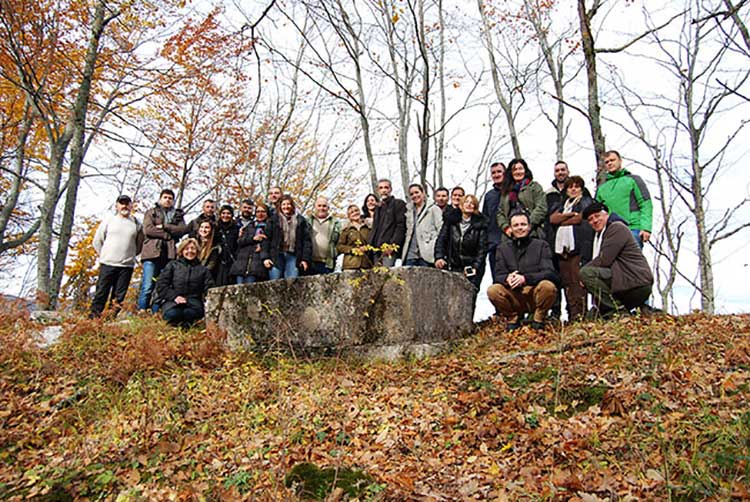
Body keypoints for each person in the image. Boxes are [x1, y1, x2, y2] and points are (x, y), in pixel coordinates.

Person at [487, 211, 558, 331]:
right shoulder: (502, 248)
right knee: (493, 290)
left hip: (535, 293)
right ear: (510, 228)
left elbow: (550, 273)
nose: (520, 228)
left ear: (529, 226)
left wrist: (525, 278)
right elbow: (498, 275)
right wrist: (507, 278)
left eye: (523, 224)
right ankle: (513, 318)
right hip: (514, 294)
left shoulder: (541, 245)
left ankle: (539, 318)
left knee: (548, 286)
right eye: (516, 225)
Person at [580, 202, 653, 316]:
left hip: (635, 282)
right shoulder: (600, 235)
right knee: (592, 315)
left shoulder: (616, 228)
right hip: (621, 282)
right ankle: (625, 310)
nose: (594, 220)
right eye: (590, 219)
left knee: (586, 273)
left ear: (606, 215)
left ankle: (618, 312)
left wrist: (582, 274)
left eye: (597, 216)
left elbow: (604, 260)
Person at [90, 195, 143, 317]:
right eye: (121, 203)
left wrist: (130, 256)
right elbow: (97, 241)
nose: (124, 206)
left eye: (127, 203)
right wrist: (104, 255)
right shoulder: (109, 220)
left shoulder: (136, 223)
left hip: (126, 266)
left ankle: (110, 318)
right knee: (101, 293)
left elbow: (139, 244)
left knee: (119, 297)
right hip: (107, 263)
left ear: (131, 206)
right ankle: (93, 318)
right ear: (117, 205)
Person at [549, 176, 594, 321]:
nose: (573, 189)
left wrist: (563, 220)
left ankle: (580, 315)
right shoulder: (564, 204)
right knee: (567, 282)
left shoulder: (585, 201)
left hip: (578, 247)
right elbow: (553, 219)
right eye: (570, 187)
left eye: (576, 186)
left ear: (581, 188)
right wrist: (569, 215)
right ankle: (571, 314)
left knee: (577, 282)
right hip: (562, 251)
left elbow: (581, 218)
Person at [138, 189, 188, 311]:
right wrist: (167, 235)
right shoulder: (151, 212)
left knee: (163, 285)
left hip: (169, 255)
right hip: (151, 253)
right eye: (165, 197)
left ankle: (156, 311)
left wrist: (165, 227)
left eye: (170, 198)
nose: (167, 200)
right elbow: (148, 230)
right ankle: (142, 309)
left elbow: (182, 230)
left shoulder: (177, 216)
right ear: (160, 199)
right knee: (148, 285)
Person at [595, 150, 653, 248]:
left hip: (632, 228)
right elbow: (596, 212)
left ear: (620, 161)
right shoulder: (601, 188)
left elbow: (645, 203)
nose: (610, 163)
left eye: (612, 160)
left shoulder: (634, 180)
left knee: (631, 261)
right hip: (610, 231)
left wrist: (646, 228)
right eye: (607, 162)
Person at [155, 238, 214, 327]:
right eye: (186, 249)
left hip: (193, 302)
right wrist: (174, 296)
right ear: (182, 251)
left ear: (197, 251)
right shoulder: (172, 265)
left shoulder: (203, 270)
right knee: (173, 314)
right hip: (173, 302)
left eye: (193, 248)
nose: (190, 251)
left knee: (189, 314)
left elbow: (209, 288)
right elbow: (161, 285)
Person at [434, 194, 488, 292]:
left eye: (472, 203)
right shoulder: (450, 222)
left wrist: (475, 267)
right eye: (466, 202)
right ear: (461, 205)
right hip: (453, 266)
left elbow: (482, 250)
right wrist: (439, 257)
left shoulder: (481, 225)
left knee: (468, 296)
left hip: (472, 267)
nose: (469, 205)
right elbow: (441, 241)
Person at [496, 158, 547, 242]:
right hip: (510, 235)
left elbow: (541, 207)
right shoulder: (506, 191)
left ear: (525, 170)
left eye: (520, 168)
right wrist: (506, 227)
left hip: (532, 233)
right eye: (514, 169)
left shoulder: (534, 187)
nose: (518, 172)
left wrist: (527, 225)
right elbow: (500, 213)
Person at [544, 160, 571, 321]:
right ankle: (555, 312)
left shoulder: (576, 190)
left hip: (572, 241)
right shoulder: (548, 194)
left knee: (570, 277)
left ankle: (574, 312)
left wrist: (561, 219)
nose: (560, 172)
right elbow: (548, 218)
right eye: (557, 170)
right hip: (552, 240)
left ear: (568, 171)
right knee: (553, 277)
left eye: (563, 170)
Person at [231, 202, 277, 283]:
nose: (260, 214)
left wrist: (262, 245)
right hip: (242, 263)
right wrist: (253, 239)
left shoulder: (270, 226)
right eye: (258, 212)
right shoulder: (249, 226)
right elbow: (240, 241)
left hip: (257, 264)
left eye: (263, 212)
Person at [270, 195, 312, 279]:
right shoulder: (273, 220)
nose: (286, 207)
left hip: (293, 255)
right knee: (274, 281)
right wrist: (265, 258)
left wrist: (305, 259)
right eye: (284, 204)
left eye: (288, 204)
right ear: (280, 206)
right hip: (276, 255)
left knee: (292, 281)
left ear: (292, 206)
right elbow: (267, 239)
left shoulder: (300, 220)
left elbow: (306, 241)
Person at [402, 183, 443, 267]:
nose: (415, 195)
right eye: (412, 194)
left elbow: (441, 231)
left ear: (423, 193)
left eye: (417, 192)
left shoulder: (433, 209)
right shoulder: (409, 211)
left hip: (427, 253)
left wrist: (438, 252)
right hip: (410, 254)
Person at [369, 179, 406, 267]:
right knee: (376, 277)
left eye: (386, 187)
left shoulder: (398, 204)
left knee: (387, 276)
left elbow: (400, 226)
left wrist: (393, 246)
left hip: (388, 249)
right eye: (381, 188)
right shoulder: (378, 208)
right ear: (378, 190)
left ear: (390, 189)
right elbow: (375, 229)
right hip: (375, 249)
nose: (384, 190)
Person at [481, 162, 505, 282]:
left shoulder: (513, 192)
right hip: (494, 244)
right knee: (497, 281)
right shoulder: (489, 196)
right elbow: (485, 220)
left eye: (499, 171)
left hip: (511, 243)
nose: (496, 175)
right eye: (493, 173)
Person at [308, 196, 341, 275]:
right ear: (315, 207)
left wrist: (335, 253)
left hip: (328, 263)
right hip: (310, 263)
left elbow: (340, 243)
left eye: (324, 206)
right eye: (319, 205)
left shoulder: (336, 223)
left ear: (328, 208)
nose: (321, 208)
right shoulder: (307, 221)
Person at [337, 205, 373, 270]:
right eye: (352, 212)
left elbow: (373, 242)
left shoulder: (368, 228)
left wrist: (367, 247)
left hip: (366, 264)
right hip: (350, 264)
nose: (355, 213)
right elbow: (340, 246)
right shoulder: (346, 230)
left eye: (356, 210)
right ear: (349, 216)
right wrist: (352, 250)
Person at [214, 205, 239, 286]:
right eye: (223, 213)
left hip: (231, 261)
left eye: (228, 213)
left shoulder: (236, 228)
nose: (225, 215)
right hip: (217, 261)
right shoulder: (215, 228)